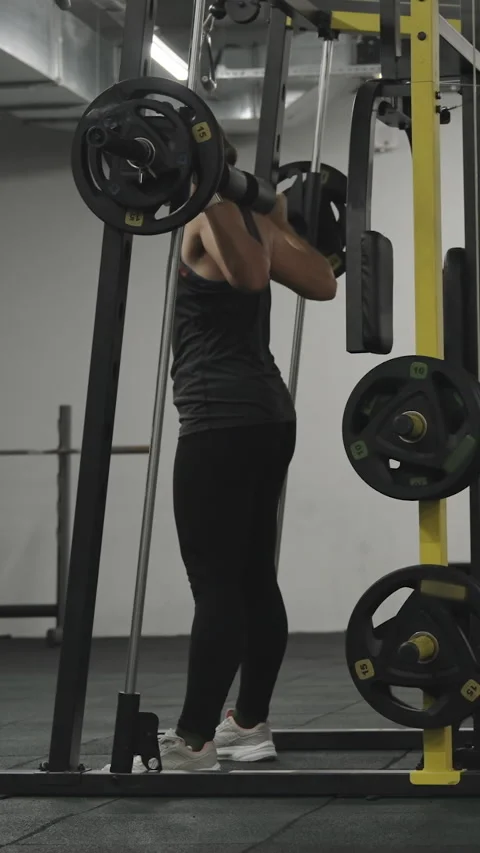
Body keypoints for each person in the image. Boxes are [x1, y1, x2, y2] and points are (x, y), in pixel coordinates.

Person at [140, 132, 336, 773]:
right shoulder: (255, 217)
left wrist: (212, 198)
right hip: (267, 417)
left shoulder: (207, 212)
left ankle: (194, 740)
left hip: (219, 422)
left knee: (217, 585)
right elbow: (322, 279)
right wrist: (274, 214)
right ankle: (247, 725)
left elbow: (252, 279)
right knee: (253, 579)